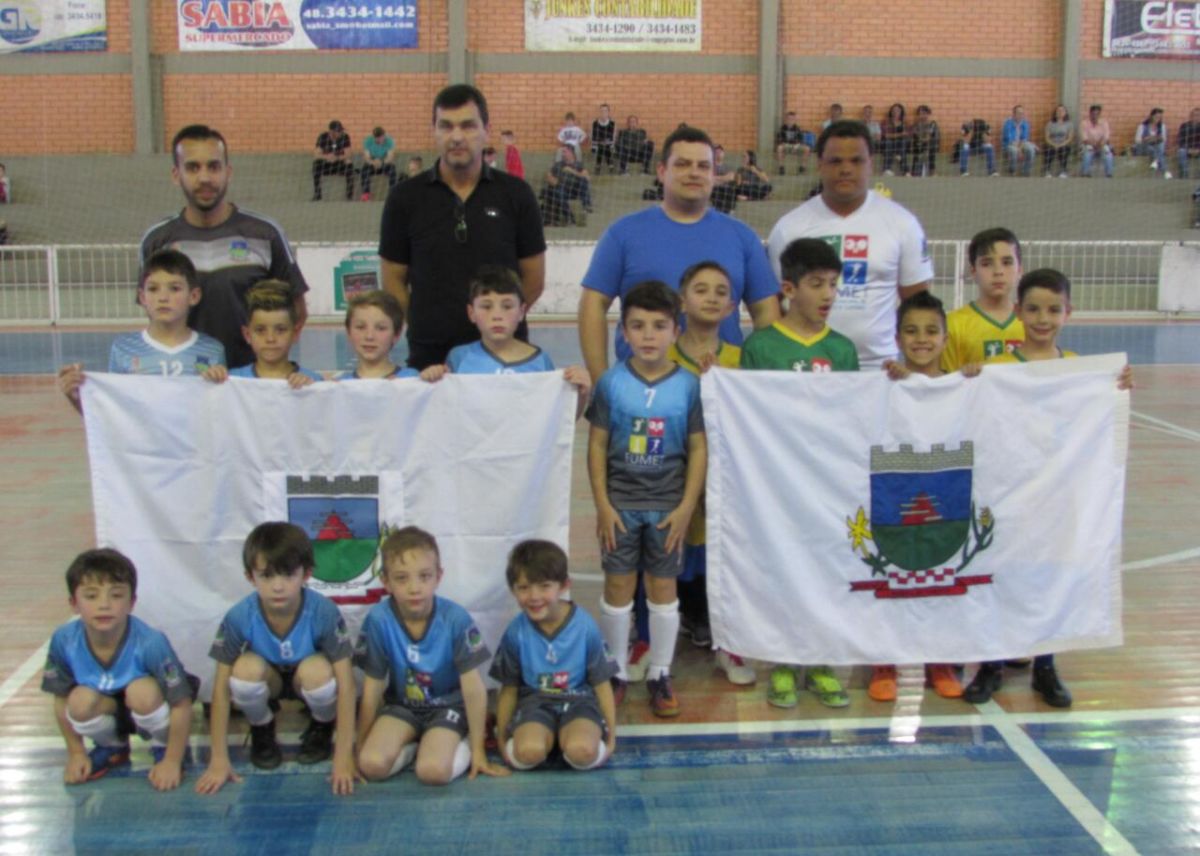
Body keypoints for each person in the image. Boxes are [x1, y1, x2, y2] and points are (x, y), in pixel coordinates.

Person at [965, 269, 1133, 707]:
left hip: (1058, 497)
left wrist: (1115, 388)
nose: (1043, 318)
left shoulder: (1080, 371)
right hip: (1007, 494)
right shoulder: (998, 369)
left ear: (1068, 313)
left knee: (1052, 576)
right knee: (999, 573)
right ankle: (991, 665)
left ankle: (1045, 665)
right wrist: (967, 382)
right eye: (1034, 309)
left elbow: (1096, 418)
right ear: (1018, 311)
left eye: (1054, 309)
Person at [739, 239, 856, 707]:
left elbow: (856, 418)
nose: (827, 294)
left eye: (833, 284)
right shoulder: (762, 348)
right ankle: (784, 661)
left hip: (829, 484)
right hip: (780, 485)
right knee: (785, 570)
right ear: (788, 288)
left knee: (826, 567)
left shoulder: (843, 350)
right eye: (816, 284)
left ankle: (823, 659)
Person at [579, 124, 780, 384]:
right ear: (662, 171)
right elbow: (593, 305)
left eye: (703, 166)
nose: (694, 173)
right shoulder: (623, 233)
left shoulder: (743, 238)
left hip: (720, 390)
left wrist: (758, 382)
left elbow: (766, 314)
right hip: (642, 389)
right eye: (683, 164)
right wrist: (601, 382)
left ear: (714, 174)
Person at [587, 281, 707, 718]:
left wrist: (685, 507)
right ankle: (615, 670)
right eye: (638, 326)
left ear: (676, 331)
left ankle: (660, 671)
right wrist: (602, 504)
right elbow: (597, 445)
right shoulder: (611, 384)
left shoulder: (689, 386)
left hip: (667, 509)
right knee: (618, 586)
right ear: (623, 333)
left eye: (659, 326)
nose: (649, 335)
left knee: (662, 588)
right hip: (619, 506)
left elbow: (698, 448)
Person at [871, 292, 988, 702]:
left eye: (931, 331)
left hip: (945, 490)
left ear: (945, 337)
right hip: (898, 489)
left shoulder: (965, 383)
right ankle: (884, 661)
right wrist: (885, 384)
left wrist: (973, 380)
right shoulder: (885, 385)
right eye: (911, 331)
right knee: (892, 574)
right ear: (898, 337)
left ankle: (940, 660)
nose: (922, 339)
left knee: (942, 574)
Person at [379, 84, 546, 370]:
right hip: (429, 357)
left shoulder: (517, 195)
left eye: (468, 125)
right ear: (434, 131)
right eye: (446, 126)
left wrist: (497, 325)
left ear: (486, 130)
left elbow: (533, 278)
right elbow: (393, 278)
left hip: (505, 356)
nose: (456, 137)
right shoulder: (404, 198)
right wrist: (423, 323)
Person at [196, 523, 358, 794]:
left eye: (288, 575)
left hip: (304, 679)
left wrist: (343, 758)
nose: (278, 586)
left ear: (306, 574)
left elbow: (348, 684)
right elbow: (221, 689)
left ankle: (321, 723)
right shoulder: (239, 616)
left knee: (319, 672)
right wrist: (219, 759)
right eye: (267, 576)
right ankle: (261, 725)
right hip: (268, 680)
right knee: (243, 670)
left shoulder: (323, 612)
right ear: (250, 577)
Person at [767, 120, 933, 370]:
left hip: (880, 369)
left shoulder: (902, 224)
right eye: (835, 161)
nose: (846, 169)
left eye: (856, 161)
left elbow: (918, 305)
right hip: (807, 368)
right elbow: (774, 304)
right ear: (819, 164)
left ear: (871, 164)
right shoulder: (790, 228)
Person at [141, 124, 309, 370]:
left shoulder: (265, 234)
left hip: (250, 386)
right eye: (193, 167)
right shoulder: (157, 242)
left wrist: (268, 367)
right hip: (188, 383)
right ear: (176, 175)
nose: (205, 178)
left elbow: (296, 311)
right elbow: (157, 317)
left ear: (228, 172)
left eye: (214, 166)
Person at [355, 526, 508, 784]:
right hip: (402, 706)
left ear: (439, 576)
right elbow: (372, 688)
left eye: (424, 576)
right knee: (371, 765)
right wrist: (358, 747)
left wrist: (480, 750)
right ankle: (415, 746)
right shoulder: (379, 620)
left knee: (433, 772)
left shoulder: (455, 619)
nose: (414, 588)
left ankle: (460, 744)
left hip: (448, 707)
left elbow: (473, 688)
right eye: (402, 578)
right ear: (386, 582)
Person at [666, 261, 756, 686]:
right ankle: (678, 620)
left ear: (733, 304)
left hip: (729, 480)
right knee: (678, 552)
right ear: (682, 300)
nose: (713, 297)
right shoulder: (661, 355)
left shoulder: (743, 360)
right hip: (672, 478)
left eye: (722, 291)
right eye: (701, 289)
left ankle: (725, 634)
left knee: (724, 550)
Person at [42, 549, 194, 788]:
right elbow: (60, 699)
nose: (104, 605)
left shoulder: (151, 642)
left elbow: (182, 703)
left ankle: (164, 746)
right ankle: (112, 746)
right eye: (91, 596)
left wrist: (173, 761)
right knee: (78, 700)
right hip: (110, 708)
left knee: (142, 692)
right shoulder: (64, 640)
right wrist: (76, 753)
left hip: (146, 705)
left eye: (116, 595)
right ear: (73, 603)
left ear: (132, 602)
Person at [491, 540, 619, 771]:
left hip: (579, 700)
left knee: (583, 752)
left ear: (564, 586)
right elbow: (508, 689)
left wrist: (611, 738)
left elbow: (601, 684)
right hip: (535, 702)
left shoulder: (585, 627)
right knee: (527, 754)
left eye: (544, 586)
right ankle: (542, 739)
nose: (534, 596)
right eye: (524, 587)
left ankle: (573, 739)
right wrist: (501, 739)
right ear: (513, 590)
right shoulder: (515, 632)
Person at [57, 249, 226, 413]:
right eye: (153, 289)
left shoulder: (212, 349)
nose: (163, 298)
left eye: (174, 288)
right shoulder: (124, 348)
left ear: (194, 296)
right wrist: (76, 397)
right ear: (142, 297)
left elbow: (220, 413)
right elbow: (113, 416)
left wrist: (220, 382)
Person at [418, 266, 591, 415]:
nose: (497, 315)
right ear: (471, 313)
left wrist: (581, 395)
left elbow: (556, 422)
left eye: (507, 306)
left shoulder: (540, 361)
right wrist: (431, 380)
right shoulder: (459, 358)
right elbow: (444, 413)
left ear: (522, 311)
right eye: (486, 306)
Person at [201, 282, 323, 387]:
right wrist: (211, 382)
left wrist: (310, 393)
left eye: (280, 330)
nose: (270, 339)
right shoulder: (230, 380)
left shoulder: (313, 382)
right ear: (247, 335)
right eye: (260, 330)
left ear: (295, 333)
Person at [941, 228, 1024, 371]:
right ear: (973, 271)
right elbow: (946, 384)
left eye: (1007, 262)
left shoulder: (1032, 323)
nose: (998, 271)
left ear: (1020, 270)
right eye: (987, 264)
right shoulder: (952, 325)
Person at [337, 290, 418, 380]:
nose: (369, 336)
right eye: (360, 327)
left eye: (381, 328)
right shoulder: (341, 385)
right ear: (349, 332)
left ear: (396, 334)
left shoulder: (411, 379)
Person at [542, 145, 594, 225]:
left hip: (575, 191)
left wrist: (571, 171)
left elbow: (587, 178)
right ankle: (570, 218)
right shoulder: (558, 164)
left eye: (565, 152)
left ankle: (586, 205)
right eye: (562, 152)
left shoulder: (578, 165)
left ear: (571, 153)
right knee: (558, 191)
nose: (563, 154)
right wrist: (554, 180)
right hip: (563, 190)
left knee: (584, 180)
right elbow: (549, 176)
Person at [312, 120, 355, 201]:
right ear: (331, 132)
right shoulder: (323, 137)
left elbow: (349, 154)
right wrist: (327, 156)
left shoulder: (345, 137)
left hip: (339, 163)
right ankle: (317, 195)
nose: (340, 133)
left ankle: (349, 196)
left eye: (341, 130)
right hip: (327, 164)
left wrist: (337, 157)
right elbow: (316, 154)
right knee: (316, 164)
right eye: (338, 131)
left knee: (349, 163)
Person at [360, 126, 398, 200]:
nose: (379, 140)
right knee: (364, 171)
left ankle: (392, 193)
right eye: (377, 138)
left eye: (381, 138)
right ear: (373, 137)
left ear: (384, 135)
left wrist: (382, 162)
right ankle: (366, 193)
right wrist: (373, 162)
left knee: (392, 170)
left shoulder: (389, 141)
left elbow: (390, 157)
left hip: (384, 161)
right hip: (372, 162)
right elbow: (366, 157)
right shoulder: (368, 141)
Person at [1002, 105, 1038, 176]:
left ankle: (1026, 171)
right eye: (1019, 113)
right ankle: (1012, 171)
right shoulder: (1008, 123)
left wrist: (1020, 149)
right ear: (1014, 114)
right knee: (1014, 151)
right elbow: (1010, 140)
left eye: (1022, 113)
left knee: (1031, 149)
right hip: (1010, 144)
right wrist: (1019, 150)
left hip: (1021, 144)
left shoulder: (1025, 123)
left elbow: (1024, 138)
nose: (1021, 115)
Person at [1079, 104, 1114, 178]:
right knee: (1087, 153)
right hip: (1089, 145)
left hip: (1102, 145)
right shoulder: (1084, 123)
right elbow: (1085, 139)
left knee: (1109, 155)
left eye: (1097, 114)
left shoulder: (1104, 123)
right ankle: (1085, 173)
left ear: (1100, 114)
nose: (1095, 116)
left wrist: (1100, 145)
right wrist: (1094, 145)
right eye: (1093, 114)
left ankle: (1109, 174)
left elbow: (1106, 137)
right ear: (1090, 113)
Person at [1134, 108, 1170, 178]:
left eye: (1160, 118)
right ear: (1151, 116)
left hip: (1157, 146)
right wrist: (1147, 139)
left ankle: (1155, 163)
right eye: (1156, 117)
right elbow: (1137, 140)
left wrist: (1156, 138)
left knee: (1161, 145)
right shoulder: (1143, 126)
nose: (1158, 119)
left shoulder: (1162, 126)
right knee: (1151, 149)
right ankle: (1165, 171)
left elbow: (1164, 139)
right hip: (1144, 147)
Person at [908, 105, 941, 177]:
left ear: (928, 114)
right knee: (918, 147)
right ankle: (914, 171)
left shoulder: (932, 124)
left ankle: (932, 171)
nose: (922, 116)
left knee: (929, 147)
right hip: (918, 145)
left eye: (924, 113)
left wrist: (923, 138)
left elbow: (928, 137)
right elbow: (915, 135)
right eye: (920, 114)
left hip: (929, 145)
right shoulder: (915, 125)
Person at [1042, 105, 1074, 178]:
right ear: (1055, 113)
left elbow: (1070, 138)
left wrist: (1061, 144)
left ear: (1065, 113)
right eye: (1058, 111)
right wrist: (1054, 144)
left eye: (1062, 111)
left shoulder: (1069, 124)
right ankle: (1047, 170)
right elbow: (1047, 137)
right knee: (1048, 149)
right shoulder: (1050, 124)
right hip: (1052, 143)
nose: (1060, 112)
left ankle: (1063, 171)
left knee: (1064, 149)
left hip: (1064, 144)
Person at [775, 111, 810, 175]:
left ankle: (802, 167)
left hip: (796, 146)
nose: (790, 121)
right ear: (786, 119)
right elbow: (779, 140)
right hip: (786, 145)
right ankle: (781, 167)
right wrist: (784, 144)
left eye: (792, 119)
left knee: (807, 148)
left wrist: (797, 145)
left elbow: (801, 140)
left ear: (795, 120)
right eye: (789, 119)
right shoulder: (783, 128)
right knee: (779, 148)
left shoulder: (797, 128)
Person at [880, 103, 909, 176]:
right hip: (889, 143)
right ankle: (887, 169)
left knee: (903, 142)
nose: (895, 112)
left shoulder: (904, 123)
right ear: (891, 112)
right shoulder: (886, 122)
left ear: (901, 112)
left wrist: (901, 135)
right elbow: (886, 135)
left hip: (901, 144)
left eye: (898, 110)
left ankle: (905, 171)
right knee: (889, 142)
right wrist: (900, 134)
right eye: (894, 110)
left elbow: (907, 134)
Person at [592, 104, 617, 173]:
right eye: (602, 111)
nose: (603, 112)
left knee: (605, 147)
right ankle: (610, 165)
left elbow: (613, 137)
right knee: (601, 147)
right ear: (599, 112)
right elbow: (594, 136)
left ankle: (598, 165)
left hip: (609, 144)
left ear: (608, 112)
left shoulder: (612, 123)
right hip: (598, 144)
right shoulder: (595, 123)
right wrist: (594, 146)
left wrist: (611, 144)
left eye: (605, 111)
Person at [1176, 107, 1200, 178]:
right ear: (1190, 116)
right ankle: (1185, 175)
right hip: (1187, 149)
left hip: (1198, 150)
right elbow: (1180, 139)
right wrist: (1188, 149)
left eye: (1198, 115)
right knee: (1181, 151)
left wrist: (1198, 149)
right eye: (1194, 115)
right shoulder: (1184, 126)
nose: (1196, 117)